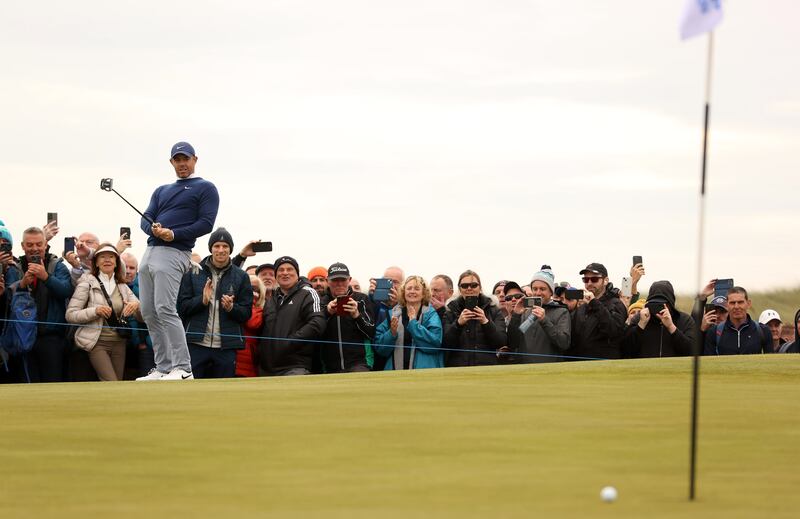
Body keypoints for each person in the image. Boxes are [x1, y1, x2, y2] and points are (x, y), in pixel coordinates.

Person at [136, 141, 220, 381]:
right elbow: (145, 218)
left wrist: (173, 234)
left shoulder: (205, 187)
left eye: (186, 159)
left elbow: (206, 223)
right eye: (177, 160)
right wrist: (154, 230)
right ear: (172, 162)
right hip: (151, 250)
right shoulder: (162, 190)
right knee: (149, 311)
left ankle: (183, 368)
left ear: (195, 159)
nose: (182, 164)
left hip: (175, 252)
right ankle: (163, 367)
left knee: (164, 307)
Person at [177, 228, 252, 379]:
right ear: (211, 248)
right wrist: (202, 301)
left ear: (230, 249)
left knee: (224, 394)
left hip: (226, 347)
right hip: (196, 344)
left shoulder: (241, 276)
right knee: (190, 391)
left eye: (225, 246)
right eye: (217, 246)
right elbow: (181, 308)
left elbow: (246, 313)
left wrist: (232, 308)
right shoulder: (193, 272)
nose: (221, 250)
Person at [5, 227, 74, 382]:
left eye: (38, 244)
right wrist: (22, 284)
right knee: (26, 384)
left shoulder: (57, 265)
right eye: (29, 245)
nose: (34, 249)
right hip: (22, 337)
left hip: (51, 337)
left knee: (53, 384)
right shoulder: (14, 266)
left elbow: (66, 290)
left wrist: (45, 277)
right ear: (22, 246)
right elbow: (6, 297)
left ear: (45, 245)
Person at [66, 243, 140, 381]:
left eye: (111, 257)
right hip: (97, 342)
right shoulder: (86, 282)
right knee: (111, 381)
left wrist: (136, 305)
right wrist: (95, 311)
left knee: (116, 383)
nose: (107, 260)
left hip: (120, 342)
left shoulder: (122, 286)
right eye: (102, 257)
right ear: (96, 262)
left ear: (117, 263)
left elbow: (142, 317)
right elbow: (70, 314)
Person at [258, 256, 326, 376]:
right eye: (281, 270)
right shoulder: (270, 300)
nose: (285, 273)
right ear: (276, 275)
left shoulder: (308, 293)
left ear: (297, 274)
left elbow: (318, 323)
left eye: (289, 269)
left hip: (295, 367)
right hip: (267, 369)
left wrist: (290, 342)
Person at [374, 275, 443, 370]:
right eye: (409, 288)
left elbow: (434, 344)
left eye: (417, 288)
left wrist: (413, 324)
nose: (412, 291)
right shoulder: (392, 314)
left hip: (424, 373)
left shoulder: (430, 314)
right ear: (403, 293)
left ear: (423, 294)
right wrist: (391, 334)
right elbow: (380, 349)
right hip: (395, 375)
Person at [442, 270, 506, 367]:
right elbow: (445, 343)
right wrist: (458, 324)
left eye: (473, 285)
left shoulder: (493, 309)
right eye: (464, 286)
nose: (469, 288)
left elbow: (500, 342)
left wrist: (486, 322)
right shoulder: (450, 310)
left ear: (480, 287)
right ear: (459, 289)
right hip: (458, 369)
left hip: (486, 368)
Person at [506, 269, 571, 363]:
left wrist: (544, 320)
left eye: (542, 289)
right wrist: (516, 315)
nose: (538, 293)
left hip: (550, 369)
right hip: (525, 369)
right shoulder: (526, 311)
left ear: (551, 292)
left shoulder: (561, 312)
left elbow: (564, 343)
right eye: (535, 289)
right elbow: (513, 343)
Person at [320, 262, 375, 373]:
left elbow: (371, 332)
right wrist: (327, 312)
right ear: (327, 281)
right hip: (329, 366)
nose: (339, 284)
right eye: (335, 280)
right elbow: (314, 332)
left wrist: (356, 315)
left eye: (343, 280)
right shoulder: (322, 302)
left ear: (349, 280)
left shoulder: (361, 299)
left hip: (359, 364)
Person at [568, 263, 627, 360]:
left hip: (606, 366)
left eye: (594, 279)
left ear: (605, 281)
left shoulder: (616, 304)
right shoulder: (582, 308)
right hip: (581, 366)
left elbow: (613, 331)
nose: (589, 283)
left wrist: (594, 303)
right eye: (586, 280)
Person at [622, 280, 696, 358]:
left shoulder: (684, 320)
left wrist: (671, 327)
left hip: (675, 368)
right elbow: (626, 350)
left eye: (662, 304)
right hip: (645, 368)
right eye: (654, 304)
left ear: (670, 304)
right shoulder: (639, 319)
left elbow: (691, 350)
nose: (657, 308)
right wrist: (641, 325)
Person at [703, 287, 772, 355]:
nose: (736, 306)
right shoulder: (714, 332)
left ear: (748, 304)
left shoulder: (763, 330)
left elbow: (770, 362)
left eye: (740, 302)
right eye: (732, 303)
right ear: (727, 305)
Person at [121, 252, 154, 377]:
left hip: (142, 345)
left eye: (132, 268)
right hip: (119, 343)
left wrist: (143, 343)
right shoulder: (110, 285)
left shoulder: (146, 286)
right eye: (125, 267)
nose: (128, 271)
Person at [237, 275, 265, 377]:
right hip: (233, 358)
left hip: (250, 360)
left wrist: (249, 302)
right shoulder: (234, 306)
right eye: (247, 287)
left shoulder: (260, 310)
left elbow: (253, 323)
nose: (251, 291)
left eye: (254, 289)